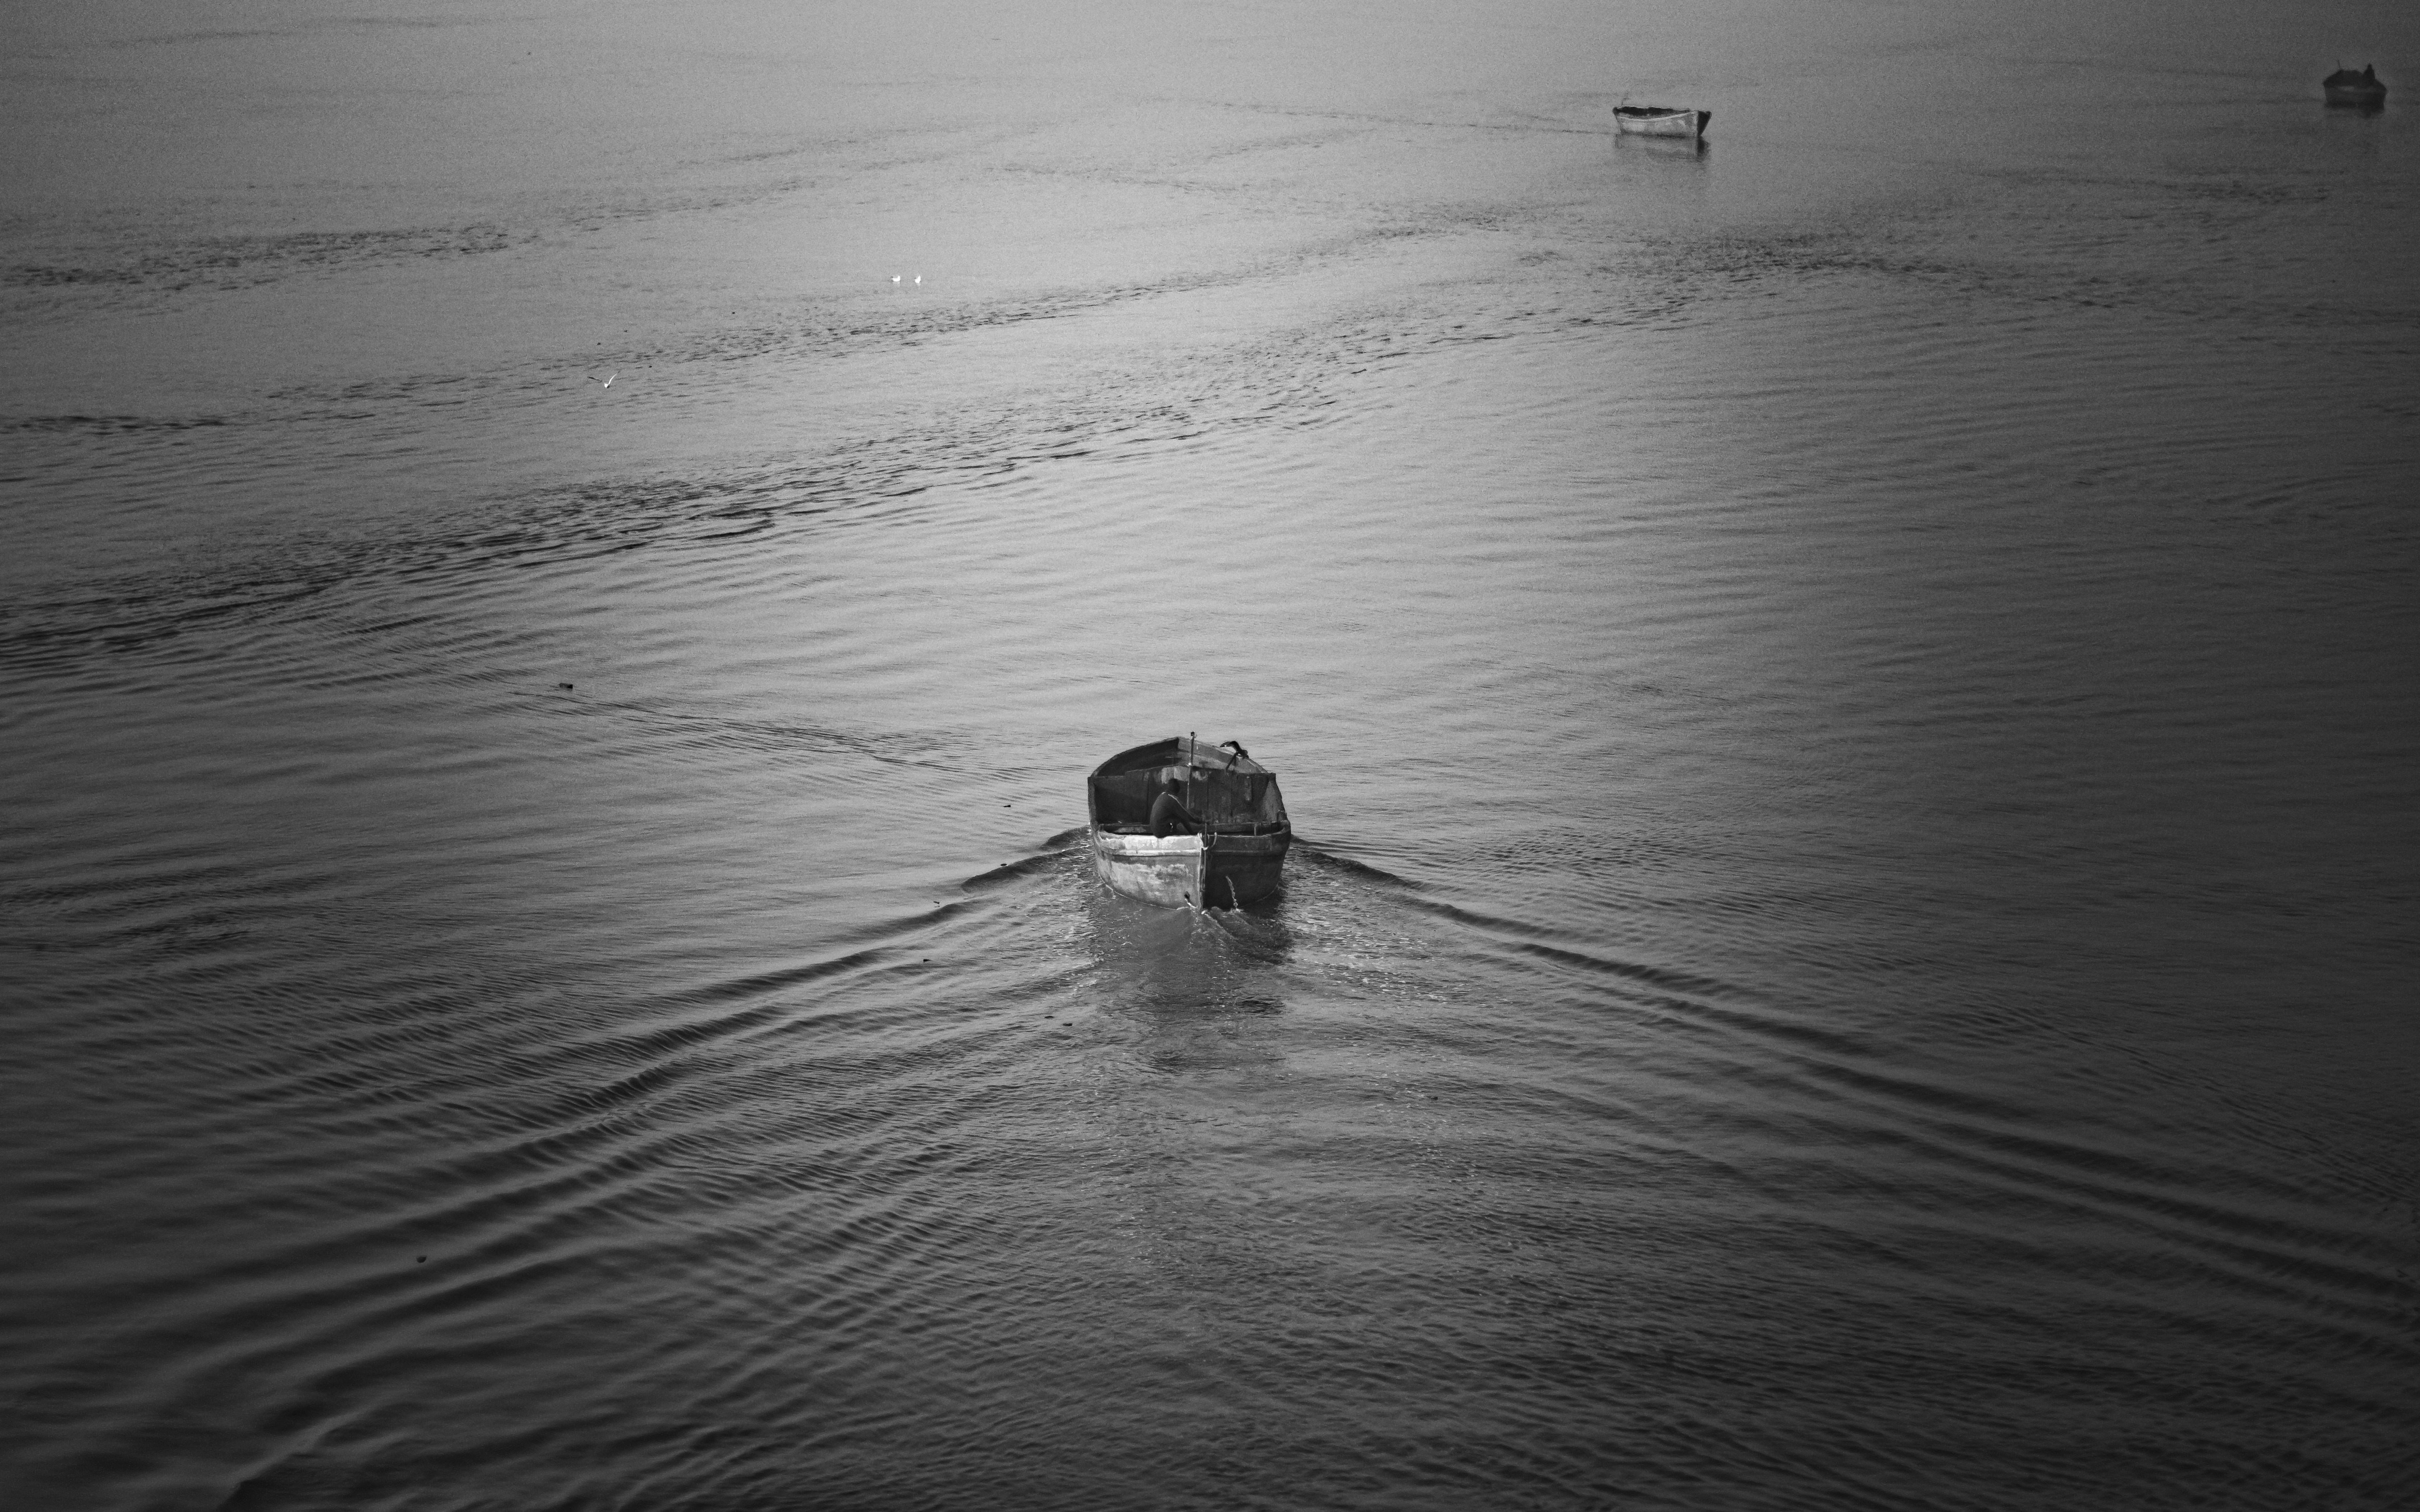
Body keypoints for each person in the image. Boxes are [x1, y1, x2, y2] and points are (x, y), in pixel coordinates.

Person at [1147, 766, 1200, 837]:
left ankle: (1191, 834)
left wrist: (1191, 832)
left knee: (1179, 817)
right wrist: (1200, 821)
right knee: (1183, 831)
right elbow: (1187, 815)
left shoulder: (1163, 796)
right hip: (1163, 832)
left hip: (1157, 831)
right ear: (1177, 789)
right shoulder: (1173, 800)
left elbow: (1183, 818)